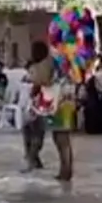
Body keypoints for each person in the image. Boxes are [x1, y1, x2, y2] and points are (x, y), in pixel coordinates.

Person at [24, 41, 74, 180]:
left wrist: (33, 76)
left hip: (57, 104)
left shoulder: (46, 64)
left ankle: (65, 171)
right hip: (65, 101)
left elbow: (42, 80)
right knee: (62, 138)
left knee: (60, 138)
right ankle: (66, 169)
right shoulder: (56, 61)